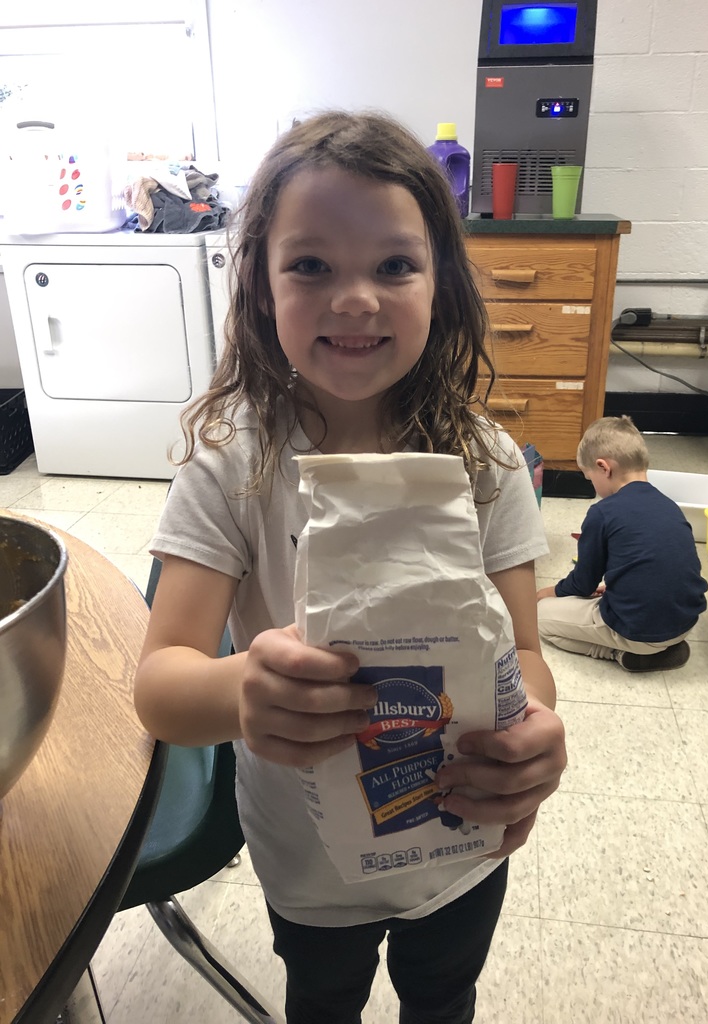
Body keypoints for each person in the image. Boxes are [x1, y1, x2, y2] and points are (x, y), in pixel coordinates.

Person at [133, 109, 566, 1024]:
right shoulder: (230, 464)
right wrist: (245, 689)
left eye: (395, 265)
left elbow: (525, 654)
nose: (356, 297)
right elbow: (162, 685)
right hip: (309, 861)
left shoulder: (484, 464)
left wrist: (534, 732)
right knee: (322, 1002)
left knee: (443, 997)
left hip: (460, 840)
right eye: (312, 265)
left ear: (441, 284)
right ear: (259, 287)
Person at [536, 415, 708, 672]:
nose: (593, 486)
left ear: (604, 467)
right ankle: (658, 647)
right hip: (684, 623)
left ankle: (622, 653)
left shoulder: (602, 512)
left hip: (636, 630)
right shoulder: (669, 505)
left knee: (541, 617)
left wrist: (544, 593)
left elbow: (583, 584)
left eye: (589, 478)